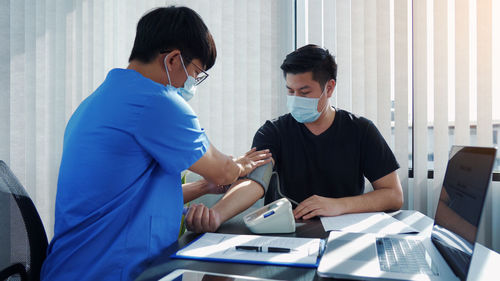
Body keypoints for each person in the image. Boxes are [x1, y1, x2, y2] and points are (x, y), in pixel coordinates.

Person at [40, 6, 271, 281]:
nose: (193, 82)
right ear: (173, 59)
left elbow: (125, 196)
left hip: (74, 266)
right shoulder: (157, 102)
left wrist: (203, 187)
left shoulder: (100, 100)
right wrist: (240, 165)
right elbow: (222, 171)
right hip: (109, 271)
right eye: (196, 72)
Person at [186, 44, 403, 232]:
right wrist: (216, 215)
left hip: (342, 237)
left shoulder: (361, 131)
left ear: (329, 88)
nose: (296, 99)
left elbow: (393, 195)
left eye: (304, 92)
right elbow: (254, 182)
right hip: (286, 236)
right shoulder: (273, 132)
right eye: (290, 91)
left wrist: (339, 205)